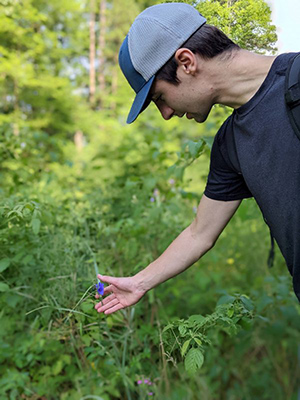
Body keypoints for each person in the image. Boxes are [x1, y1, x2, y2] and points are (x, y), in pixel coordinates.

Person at [95, 2, 300, 315]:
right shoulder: (230, 145)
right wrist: (140, 282)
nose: (166, 114)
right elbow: (199, 233)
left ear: (187, 62)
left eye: (159, 98)